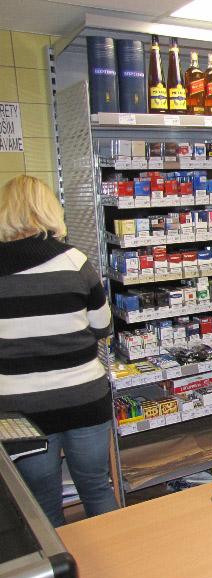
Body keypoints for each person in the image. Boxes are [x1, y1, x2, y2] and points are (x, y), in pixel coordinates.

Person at [0, 175, 118, 527]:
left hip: (20, 408)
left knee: (40, 501)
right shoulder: (74, 261)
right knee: (96, 487)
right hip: (83, 396)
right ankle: (118, 558)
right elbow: (103, 325)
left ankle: (57, 563)